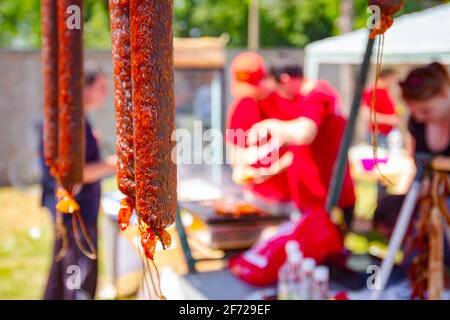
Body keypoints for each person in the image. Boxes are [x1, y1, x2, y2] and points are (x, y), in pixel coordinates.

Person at [39, 69, 117, 300]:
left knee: (60, 272)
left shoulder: (78, 120)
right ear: (85, 87)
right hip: (75, 211)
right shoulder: (70, 122)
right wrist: (116, 164)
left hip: (78, 208)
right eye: (101, 87)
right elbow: (75, 174)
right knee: (80, 274)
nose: (106, 93)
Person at [249, 61, 356, 228]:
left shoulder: (317, 96)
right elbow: (301, 148)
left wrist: (268, 125)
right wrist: (274, 168)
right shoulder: (318, 93)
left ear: (285, 79)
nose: (280, 95)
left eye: (278, 89)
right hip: (321, 190)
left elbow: (303, 135)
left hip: (322, 194)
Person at [374, 62, 450, 269]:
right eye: (414, 111)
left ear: (445, 94)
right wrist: (404, 197)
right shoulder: (417, 123)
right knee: (416, 257)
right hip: (431, 201)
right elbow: (413, 160)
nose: (419, 117)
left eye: (425, 110)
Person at [226, 52, 294, 209]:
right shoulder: (242, 106)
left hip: (288, 194)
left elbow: (299, 149)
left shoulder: (284, 102)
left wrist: (274, 168)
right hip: (255, 196)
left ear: (266, 79)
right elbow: (235, 152)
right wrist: (241, 169)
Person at [362, 68, 400, 147]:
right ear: (388, 77)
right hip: (379, 136)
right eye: (393, 79)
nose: (394, 83)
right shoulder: (373, 91)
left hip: (386, 135)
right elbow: (368, 116)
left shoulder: (384, 91)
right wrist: (390, 119)